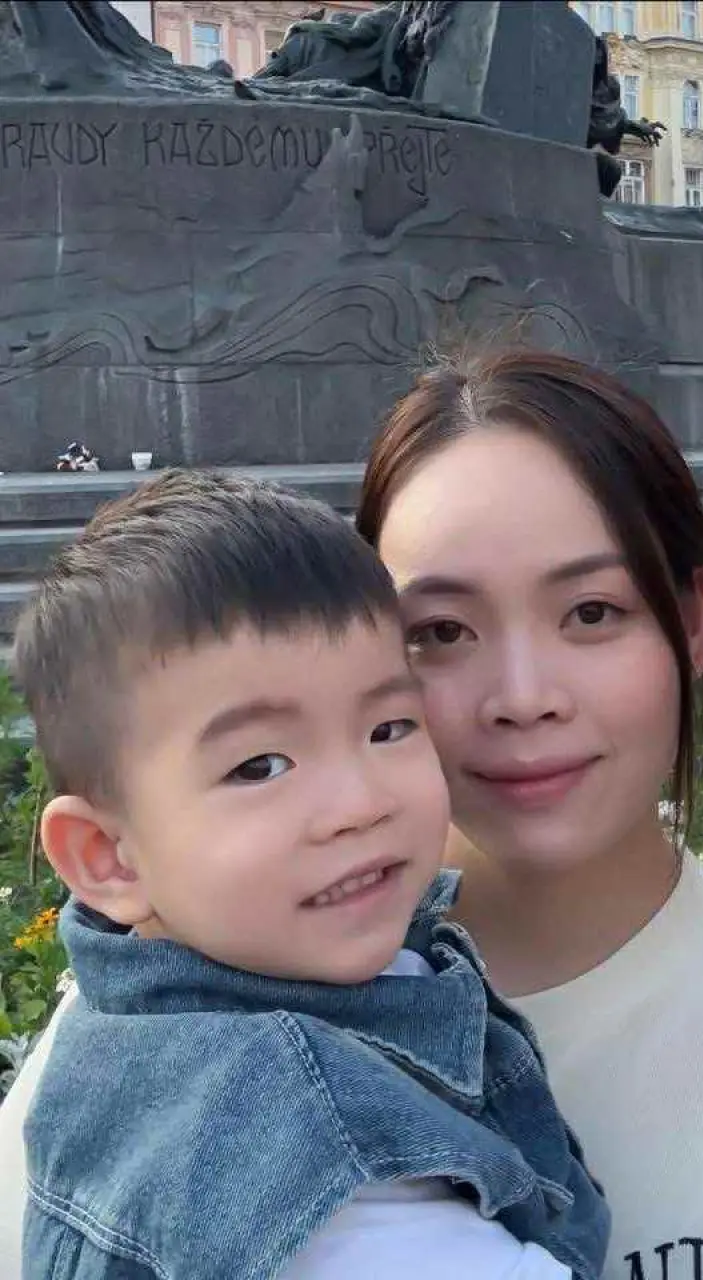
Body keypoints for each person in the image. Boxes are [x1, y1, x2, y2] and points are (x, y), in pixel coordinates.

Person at [0, 355, 703, 1279]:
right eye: (439, 630)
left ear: (690, 622)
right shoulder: (150, 1046)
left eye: (591, 612)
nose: (523, 697)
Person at [11, 471, 608, 1280]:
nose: (360, 803)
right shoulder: (290, 1142)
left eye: (389, 727)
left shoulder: (137, 1028)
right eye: (260, 766)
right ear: (107, 857)